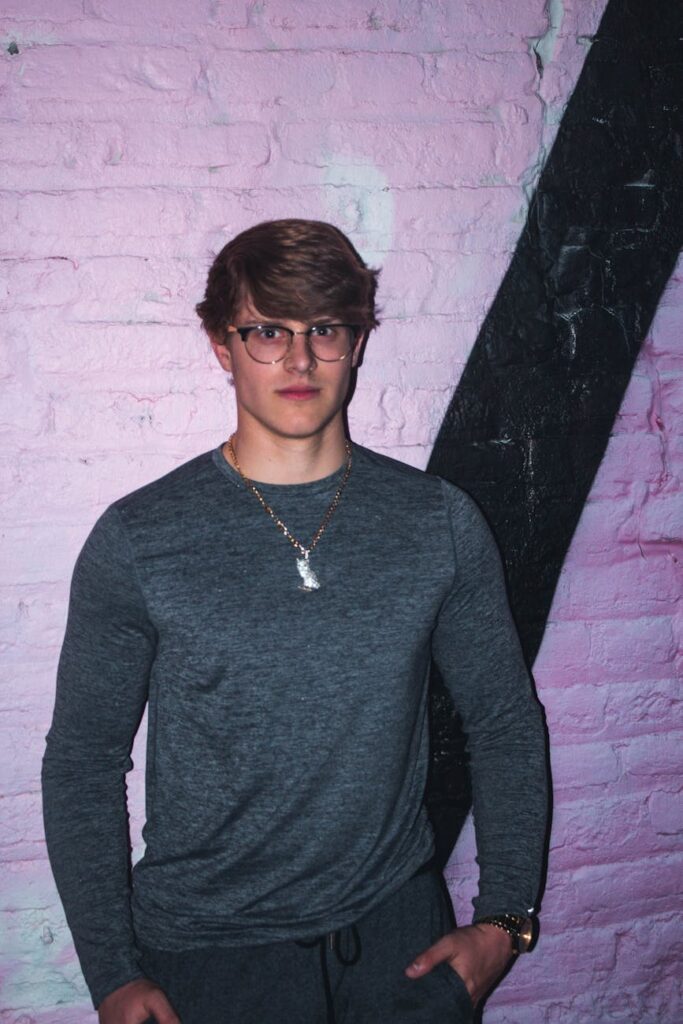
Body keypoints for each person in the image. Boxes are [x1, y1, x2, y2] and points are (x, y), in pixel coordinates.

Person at [42, 218, 548, 1024]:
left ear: (357, 342)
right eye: (267, 331)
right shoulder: (141, 538)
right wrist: (111, 972)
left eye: (325, 329)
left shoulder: (435, 523)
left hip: (401, 948)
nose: (299, 359)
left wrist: (505, 919)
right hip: (211, 963)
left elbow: (504, 721)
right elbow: (83, 763)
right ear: (222, 345)